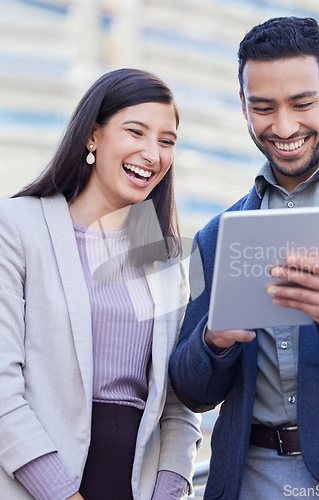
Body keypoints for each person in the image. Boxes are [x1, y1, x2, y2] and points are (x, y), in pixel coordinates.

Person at [169, 16, 319, 499]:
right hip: (250, 480)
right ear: (243, 106)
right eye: (263, 108)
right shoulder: (218, 235)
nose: (283, 127)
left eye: (302, 104)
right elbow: (192, 389)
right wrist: (213, 342)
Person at [0, 68, 202, 500]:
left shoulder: (162, 255)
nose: (153, 153)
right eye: (136, 132)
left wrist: (169, 491)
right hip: (37, 485)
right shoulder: (17, 226)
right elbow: (2, 391)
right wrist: (60, 493)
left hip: (136, 487)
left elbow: (177, 407)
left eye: (167, 141)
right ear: (93, 135)